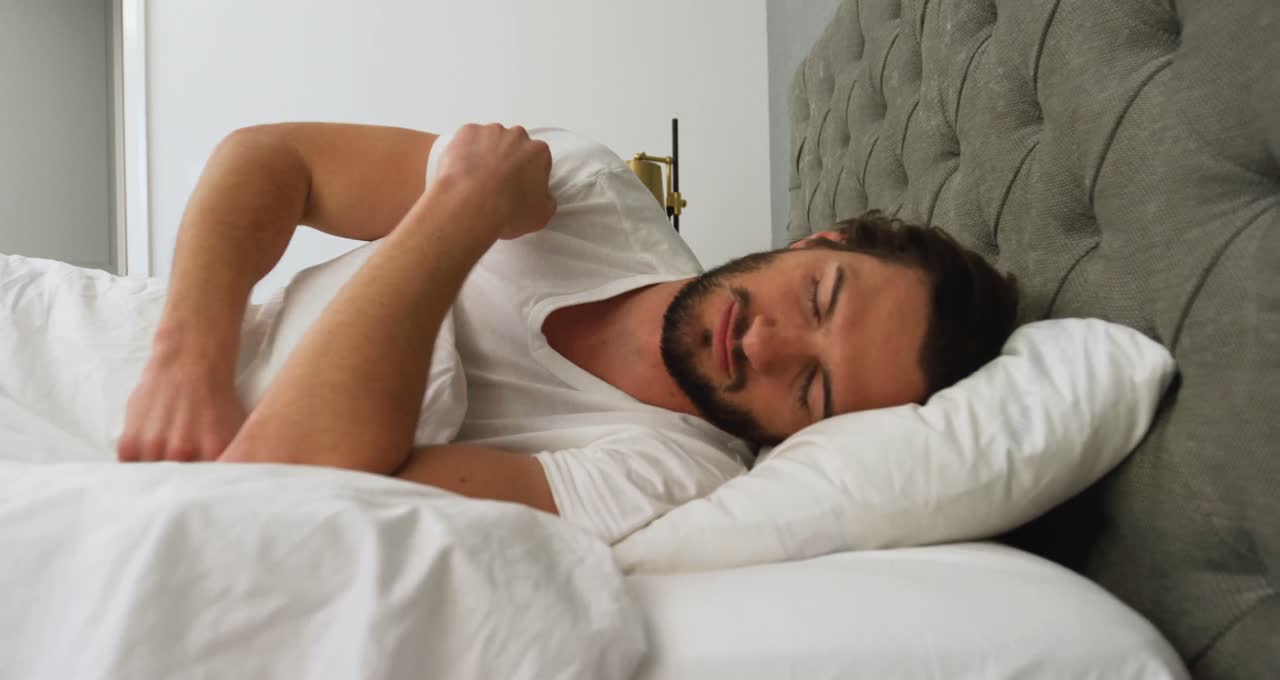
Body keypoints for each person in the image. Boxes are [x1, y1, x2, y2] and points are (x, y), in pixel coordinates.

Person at [116, 122, 1019, 542]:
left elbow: (282, 487)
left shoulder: (664, 475)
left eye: (812, 389)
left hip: (157, 473)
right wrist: (187, 353)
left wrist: (459, 210)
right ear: (817, 242)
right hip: (133, 351)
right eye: (819, 298)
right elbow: (271, 158)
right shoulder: (586, 194)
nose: (767, 345)